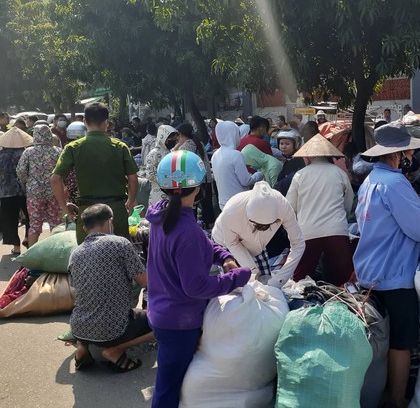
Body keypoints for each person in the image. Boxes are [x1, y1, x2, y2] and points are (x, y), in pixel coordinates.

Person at [353, 122, 420, 408]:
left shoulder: (370, 181)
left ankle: (379, 392)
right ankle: (398, 399)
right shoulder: (395, 183)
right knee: (401, 341)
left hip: (369, 271)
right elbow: (419, 228)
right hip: (394, 275)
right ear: (399, 154)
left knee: (380, 337)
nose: (410, 156)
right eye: (408, 151)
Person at [146, 151, 250, 407]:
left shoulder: (161, 214)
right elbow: (196, 287)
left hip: (163, 311)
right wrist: (237, 277)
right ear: (200, 186)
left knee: (175, 384)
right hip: (178, 322)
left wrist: (224, 256)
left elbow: (203, 245)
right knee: (167, 389)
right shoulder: (186, 229)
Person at [68, 204, 154, 372]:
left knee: (91, 309)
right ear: (109, 222)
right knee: (164, 324)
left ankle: (83, 348)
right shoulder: (120, 243)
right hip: (113, 329)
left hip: (78, 327)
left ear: (85, 228)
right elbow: (145, 282)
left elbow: (77, 290)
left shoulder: (75, 253)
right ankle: (114, 351)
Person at [51, 102, 139, 244]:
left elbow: (55, 179)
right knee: (120, 254)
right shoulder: (120, 147)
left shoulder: (72, 148)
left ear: (85, 122)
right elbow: (133, 179)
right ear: (106, 123)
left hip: (88, 212)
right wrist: (130, 202)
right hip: (116, 210)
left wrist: (64, 207)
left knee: (87, 255)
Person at [286, 134, 354, 285]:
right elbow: (348, 203)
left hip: (307, 232)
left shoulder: (300, 175)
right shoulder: (339, 173)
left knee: (300, 279)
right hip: (337, 231)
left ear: (308, 157)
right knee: (346, 279)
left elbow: (290, 207)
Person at [212, 180, 306, 287]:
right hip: (226, 244)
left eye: (268, 226)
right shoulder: (231, 211)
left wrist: (280, 279)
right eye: (257, 225)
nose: (262, 229)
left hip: (257, 247)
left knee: (267, 287)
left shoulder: (283, 206)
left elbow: (298, 243)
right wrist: (254, 273)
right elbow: (233, 243)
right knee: (237, 290)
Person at [16, 125, 62, 247]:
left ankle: (31, 256)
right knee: (56, 224)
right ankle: (56, 252)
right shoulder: (57, 151)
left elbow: (20, 171)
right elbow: (64, 171)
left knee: (35, 225)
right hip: (54, 192)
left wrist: (29, 181)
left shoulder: (29, 152)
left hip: (34, 193)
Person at [211, 120, 263, 211]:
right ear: (233, 134)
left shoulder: (215, 155)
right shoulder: (236, 155)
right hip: (239, 202)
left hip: (223, 203)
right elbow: (246, 181)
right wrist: (259, 175)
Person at [173, 123, 215, 226]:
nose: (177, 139)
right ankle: (211, 231)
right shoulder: (199, 143)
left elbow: (174, 158)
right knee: (208, 208)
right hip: (206, 179)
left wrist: (176, 147)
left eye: (177, 136)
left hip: (194, 182)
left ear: (181, 135)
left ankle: (193, 230)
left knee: (192, 208)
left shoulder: (185, 147)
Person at [0, 127, 33, 255]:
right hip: (25, 190)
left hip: (6, 192)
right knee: (30, 217)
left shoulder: (1, 155)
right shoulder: (26, 153)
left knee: (10, 219)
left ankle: (16, 247)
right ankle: (29, 240)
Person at [145, 125, 177, 207]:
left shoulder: (171, 153)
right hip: (158, 193)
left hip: (173, 193)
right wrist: (166, 180)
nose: (173, 141)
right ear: (163, 138)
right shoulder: (154, 154)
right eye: (170, 139)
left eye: (174, 139)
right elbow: (150, 174)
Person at [273, 129, 306, 195]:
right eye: (281, 143)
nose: (283, 147)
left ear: (296, 145)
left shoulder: (297, 161)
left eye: (287, 144)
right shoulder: (289, 160)